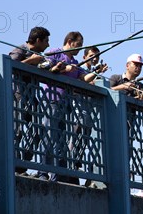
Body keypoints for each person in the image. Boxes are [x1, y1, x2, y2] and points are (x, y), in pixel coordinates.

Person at [39, 31, 98, 182]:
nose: (79, 49)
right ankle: (43, 172)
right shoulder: (55, 53)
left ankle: (59, 174)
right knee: (48, 135)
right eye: (78, 45)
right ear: (70, 42)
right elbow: (43, 67)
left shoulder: (75, 63)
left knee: (61, 139)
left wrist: (95, 72)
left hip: (66, 105)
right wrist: (64, 69)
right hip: (52, 100)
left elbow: (83, 77)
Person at [9, 27, 51, 174]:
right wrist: (30, 60)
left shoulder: (39, 54)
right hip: (17, 96)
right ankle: (14, 165)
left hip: (31, 98)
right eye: (46, 41)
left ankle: (23, 162)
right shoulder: (20, 50)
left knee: (38, 132)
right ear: (38, 40)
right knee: (17, 132)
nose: (48, 45)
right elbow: (9, 66)